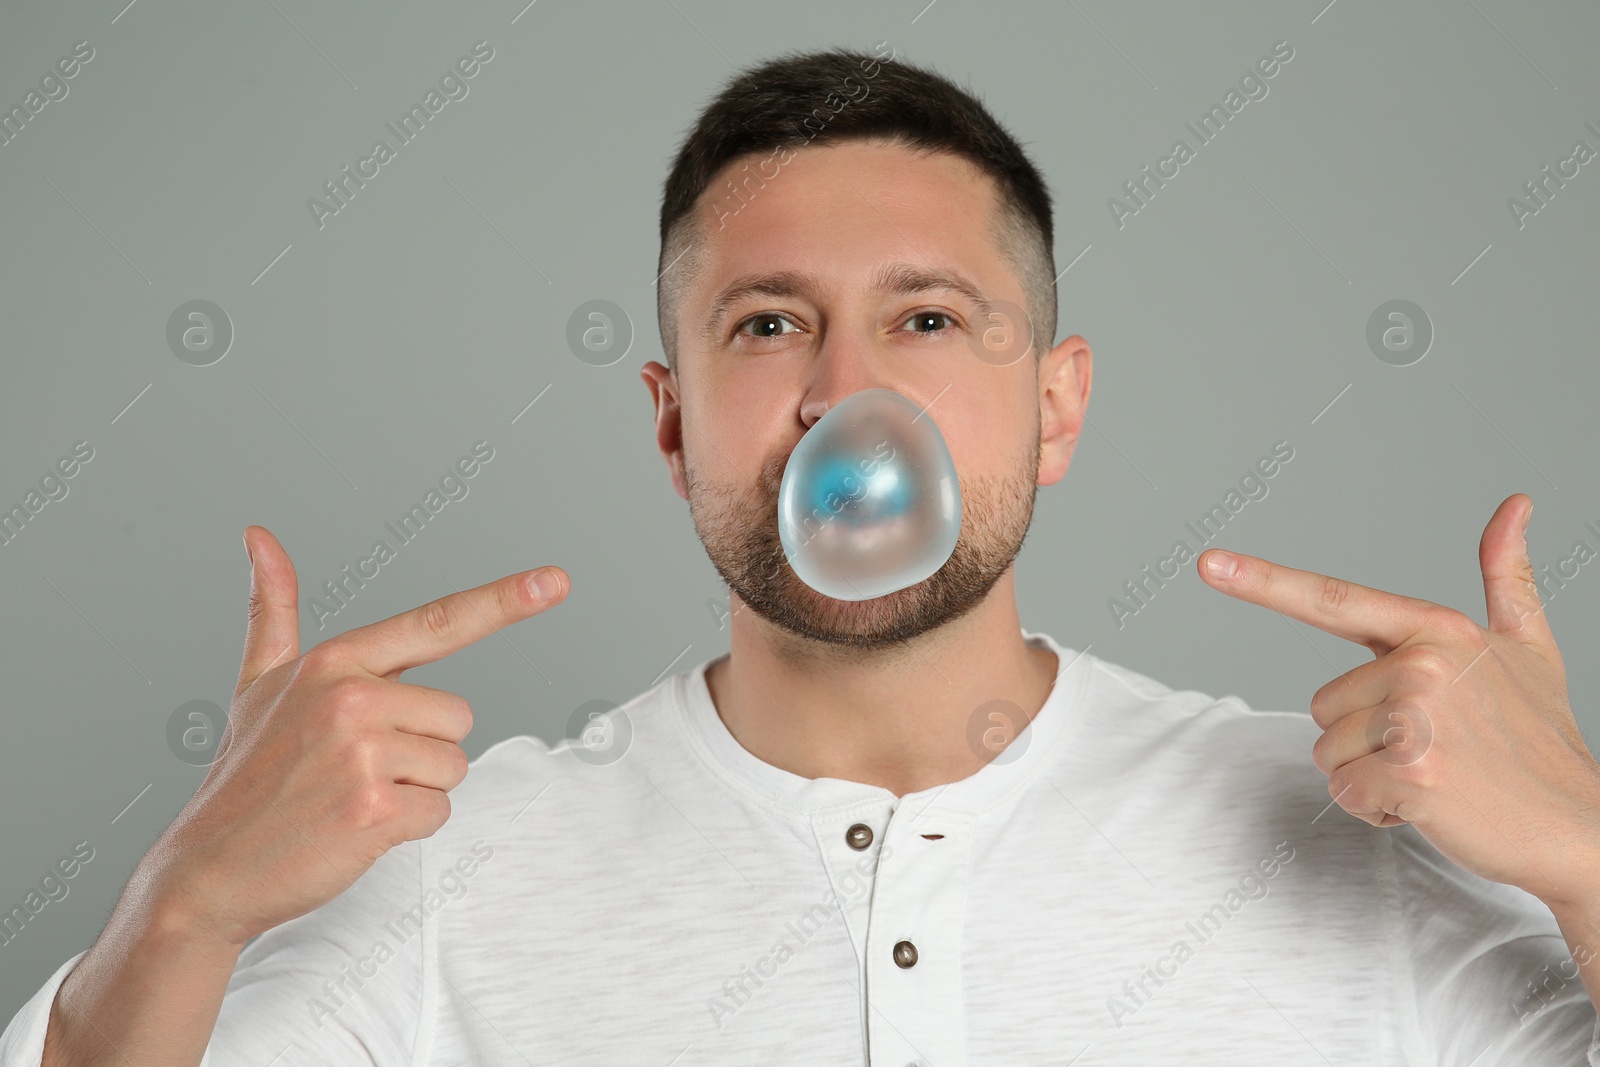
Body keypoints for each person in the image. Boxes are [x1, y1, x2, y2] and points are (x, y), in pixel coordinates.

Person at [6, 44, 1600, 1066]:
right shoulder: (437, 874)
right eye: (769, 327)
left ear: (1056, 404)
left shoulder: (1364, 840)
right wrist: (188, 904)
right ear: (674, 421)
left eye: (927, 318)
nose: (851, 396)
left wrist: (1591, 856)